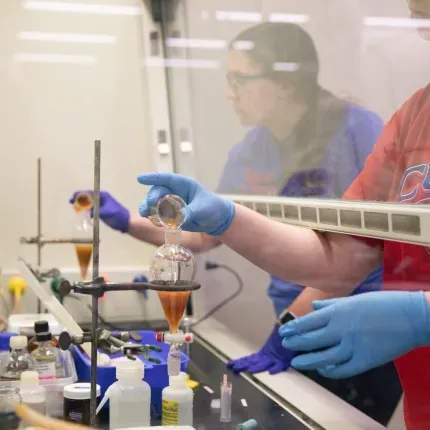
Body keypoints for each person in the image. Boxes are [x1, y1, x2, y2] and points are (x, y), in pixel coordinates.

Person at [71, 22, 400, 423]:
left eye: (239, 79)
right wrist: (126, 222)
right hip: (297, 323)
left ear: (284, 82)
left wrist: (286, 329)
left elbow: (355, 257)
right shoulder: (252, 151)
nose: (230, 93)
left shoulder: (358, 133)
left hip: (359, 325)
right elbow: (201, 234)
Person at [136, 1, 430, 427]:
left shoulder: (353, 129)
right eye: (424, 22)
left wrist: (421, 316)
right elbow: (342, 256)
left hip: (364, 326)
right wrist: (229, 218)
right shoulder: (416, 118)